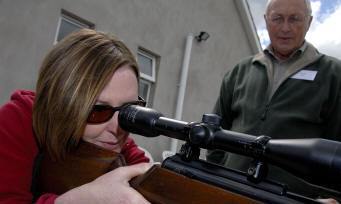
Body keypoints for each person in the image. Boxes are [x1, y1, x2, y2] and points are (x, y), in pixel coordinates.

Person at [207, 0, 341, 201]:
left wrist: (331, 196)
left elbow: (338, 146)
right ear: (266, 20)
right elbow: (216, 130)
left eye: (295, 19)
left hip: (293, 197)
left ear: (309, 22)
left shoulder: (333, 74)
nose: (285, 28)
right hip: (231, 190)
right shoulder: (240, 71)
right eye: (277, 18)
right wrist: (216, 174)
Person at [0, 28, 152, 203]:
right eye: (98, 110)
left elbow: (148, 176)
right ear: (62, 104)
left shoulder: (118, 144)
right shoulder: (17, 121)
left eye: (128, 110)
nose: (117, 127)